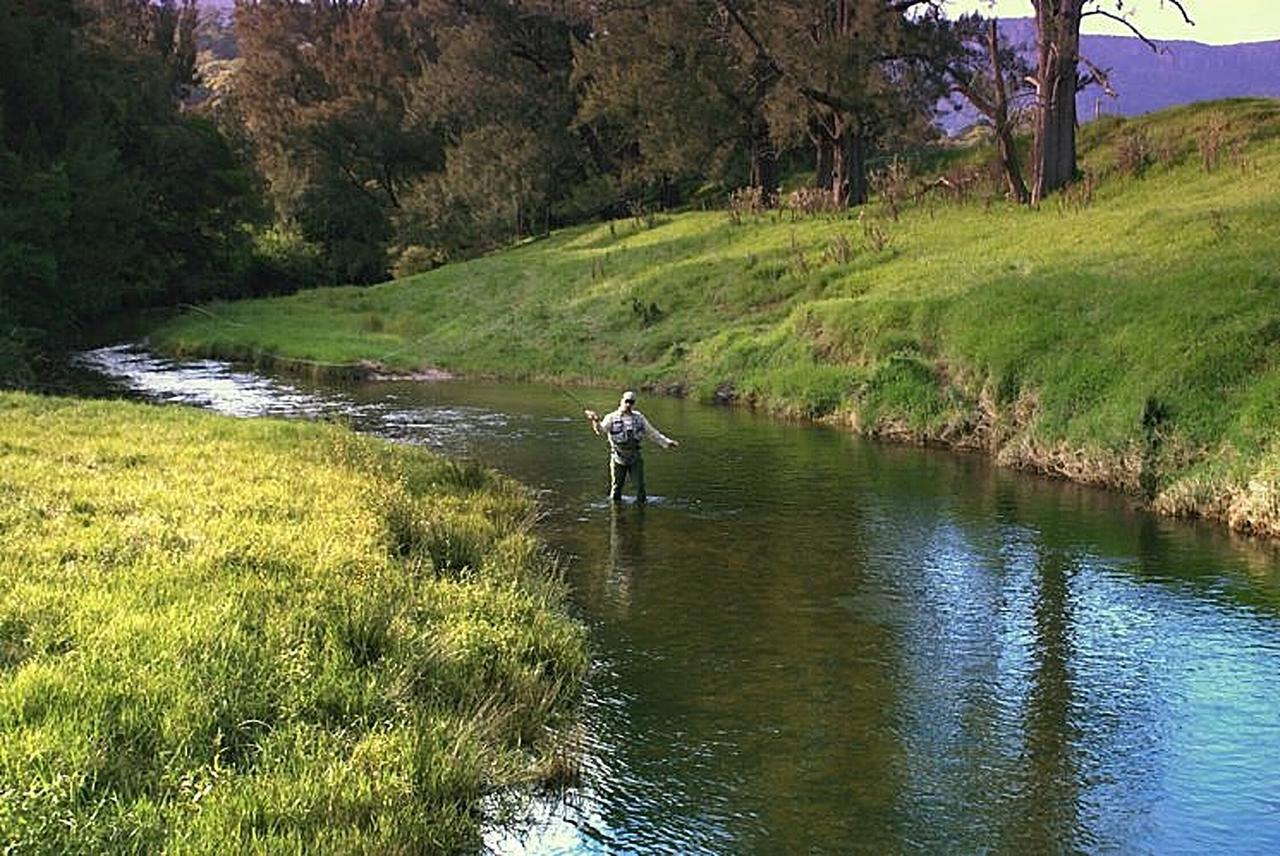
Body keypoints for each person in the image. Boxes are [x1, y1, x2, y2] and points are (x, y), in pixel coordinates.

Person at [584, 390, 678, 502]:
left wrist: (666, 442)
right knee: (616, 489)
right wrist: (595, 420)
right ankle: (616, 515)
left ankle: (641, 512)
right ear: (621, 401)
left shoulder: (639, 418)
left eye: (631, 402)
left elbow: (652, 433)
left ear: (634, 404)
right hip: (618, 458)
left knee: (640, 488)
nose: (628, 404)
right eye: (626, 401)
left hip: (635, 458)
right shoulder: (611, 417)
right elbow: (601, 430)